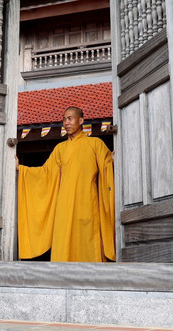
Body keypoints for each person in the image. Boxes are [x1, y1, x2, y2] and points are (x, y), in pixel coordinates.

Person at [16, 106, 115, 262]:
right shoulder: (60, 149)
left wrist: (113, 158)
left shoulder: (95, 144)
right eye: (64, 119)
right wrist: (21, 169)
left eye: (70, 118)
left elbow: (107, 166)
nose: (66, 122)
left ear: (81, 120)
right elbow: (45, 174)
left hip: (87, 205)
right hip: (64, 207)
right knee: (63, 245)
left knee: (88, 242)